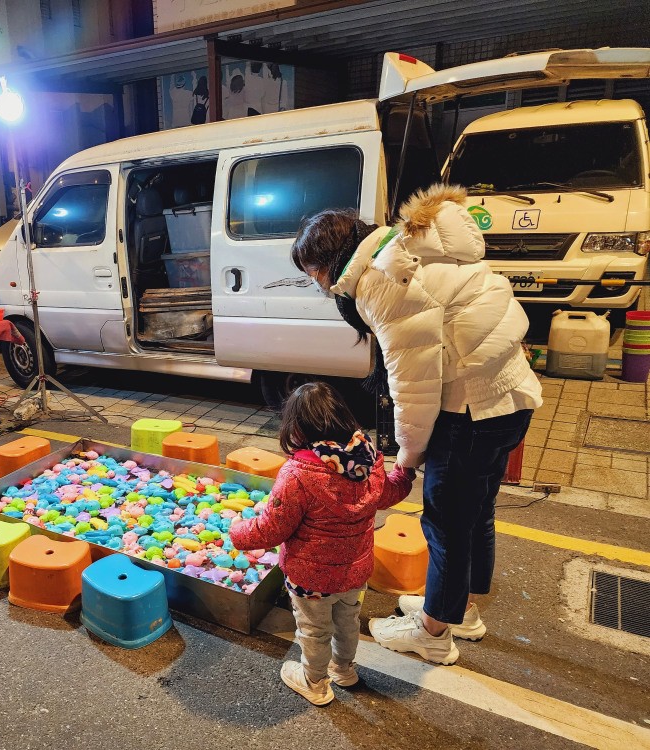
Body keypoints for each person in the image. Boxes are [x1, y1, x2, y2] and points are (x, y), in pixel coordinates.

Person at [290, 184, 541, 665]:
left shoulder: (382, 281)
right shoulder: (413, 249)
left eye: (314, 274)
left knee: (445, 523)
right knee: (475, 513)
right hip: (510, 398)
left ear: (329, 260)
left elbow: (414, 383)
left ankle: (432, 634)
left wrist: (405, 459)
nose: (320, 285)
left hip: (470, 412)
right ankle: (459, 610)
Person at [230, 382, 415, 706]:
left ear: (296, 427)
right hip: (355, 572)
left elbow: (273, 529)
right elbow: (388, 494)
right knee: (346, 621)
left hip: (311, 579)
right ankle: (343, 669)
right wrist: (404, 474)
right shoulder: (367, 458)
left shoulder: (298, 473)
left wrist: (237, 532)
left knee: (314, 630)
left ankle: (314, 683)